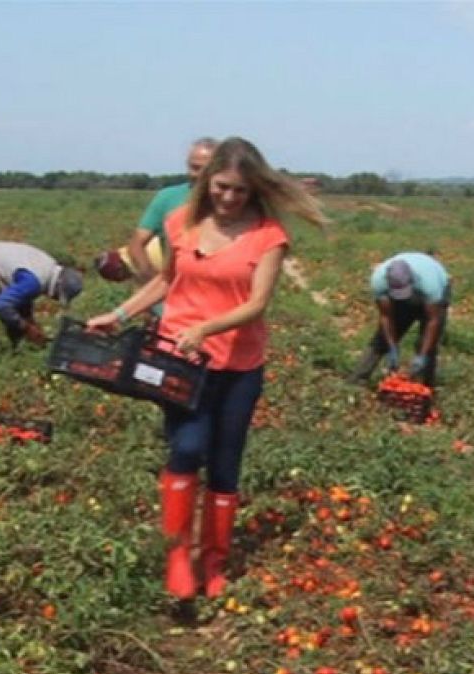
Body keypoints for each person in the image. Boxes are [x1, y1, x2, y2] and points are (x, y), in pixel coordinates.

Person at [86, 137, 326, 616]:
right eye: (221, 187)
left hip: (237, 366)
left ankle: (214, 560)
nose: (229, 198)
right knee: (186, 447)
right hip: (179, 360)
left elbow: (256, 304)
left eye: (239, 190)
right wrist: (121, 313)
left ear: (253, 188)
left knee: (224, 463)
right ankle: (179, 555)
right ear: (206, 181)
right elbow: (165, 280)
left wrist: (208, 327)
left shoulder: (267, 236)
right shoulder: (181, 223)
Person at [0, 242, 83, 373]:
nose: (54, 298)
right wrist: (27, 327)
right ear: (57, 285)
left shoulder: (47, 269)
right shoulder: (34, 280)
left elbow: (21, 301)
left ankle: (18, 358)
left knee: (18, 317)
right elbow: (1, 305)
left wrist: (29, 323)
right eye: (57, 295)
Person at [349, 251, 451, 388]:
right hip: (406, 290)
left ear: (412, 280)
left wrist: (422, 355)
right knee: (381, 340)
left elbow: (433, 320)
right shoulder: (379, 281)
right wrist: (392, 346)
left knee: (428, 345)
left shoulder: (429, 283)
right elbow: (386, 316)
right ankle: (357, 380)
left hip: (435, 292)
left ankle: (425, 388)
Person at [123, 138, 217, 283]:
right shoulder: (168, 198)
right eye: (195, 168)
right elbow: (136, 244)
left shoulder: (231, 202)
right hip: (173, 295)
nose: (200, 175)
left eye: (208, 169)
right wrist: (153, 281)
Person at [92, 235, 164, 284]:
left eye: (117, 279)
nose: (120, 282)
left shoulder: (142, 275)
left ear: (119, 272)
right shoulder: (131, 248)